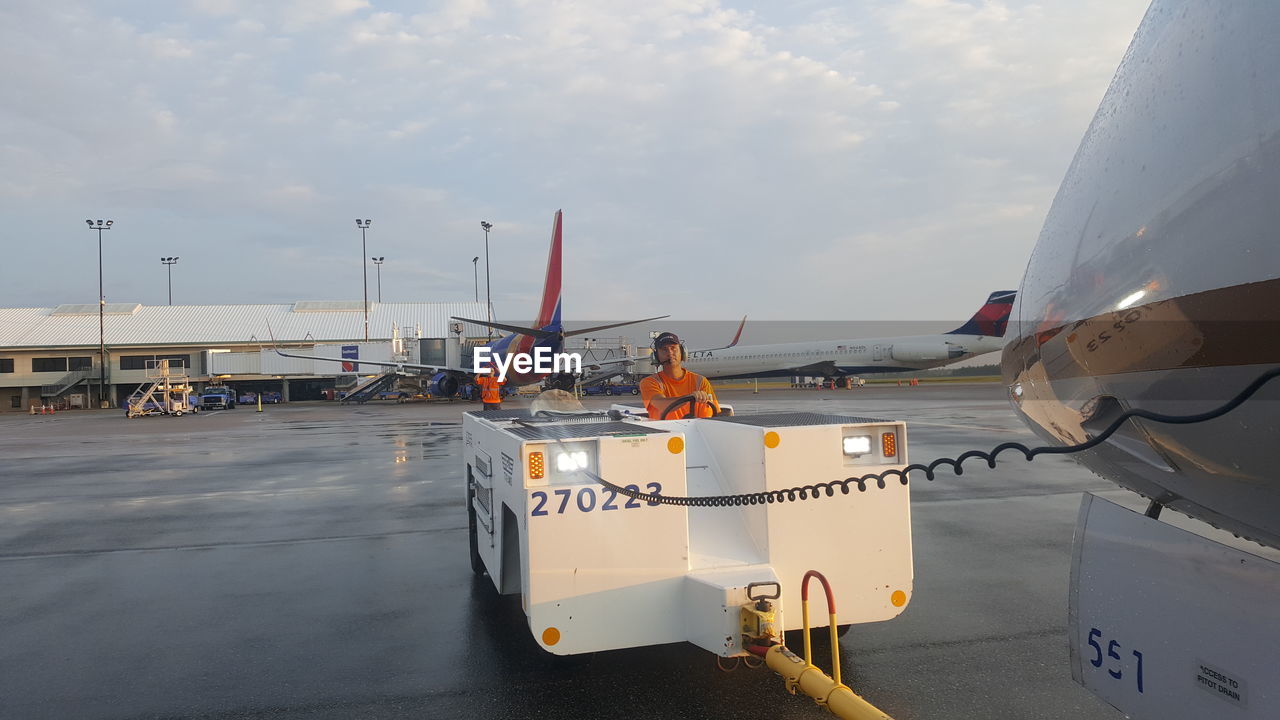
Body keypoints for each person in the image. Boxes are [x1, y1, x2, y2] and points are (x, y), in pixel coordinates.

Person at [640, 332, 719, 419]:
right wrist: (689, 397)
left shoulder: (701, 382)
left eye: (673, 348)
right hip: (666, 432)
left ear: (682, 352)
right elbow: (662, 404)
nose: (670, 353)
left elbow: (710, 417)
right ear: (656, 356)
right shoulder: (649, 382)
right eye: (664, 349)